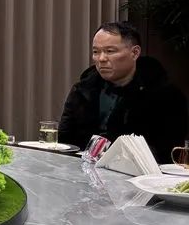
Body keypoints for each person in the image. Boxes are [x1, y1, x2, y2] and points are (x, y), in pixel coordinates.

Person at [58, 21, 188, 161]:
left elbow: (168, 151)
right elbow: (65, 141)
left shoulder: (165, 95)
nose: (101, 59)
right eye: (96, 52)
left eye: (110, 51)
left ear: (135, 53)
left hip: (139, 171)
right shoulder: (83, 90)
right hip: (79, 168)